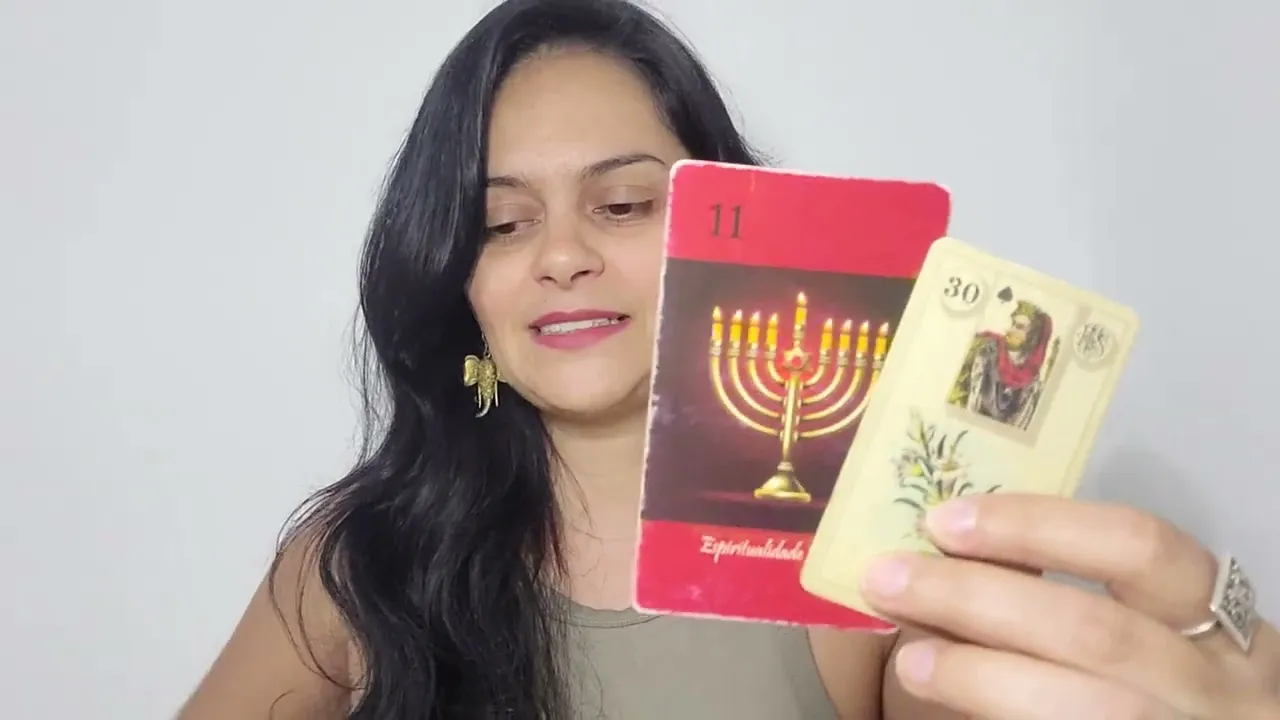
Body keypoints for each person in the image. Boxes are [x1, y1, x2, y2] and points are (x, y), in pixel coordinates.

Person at [177, 0, 1279, 717]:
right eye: (501, 224)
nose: (561, 255)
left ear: (732, 228)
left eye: (623, 204)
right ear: (454, 283)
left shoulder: (868, 563)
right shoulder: (354, 563)